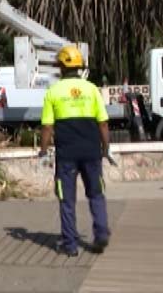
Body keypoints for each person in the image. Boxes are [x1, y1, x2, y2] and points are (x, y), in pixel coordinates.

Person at [39, 45, 111, 257]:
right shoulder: (92, 89)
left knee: (67, 200)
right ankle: (101, 235)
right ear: (80, 67)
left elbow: (47, 127)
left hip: (66, 155)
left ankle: (70, 245)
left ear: (61, 67)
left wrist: (43, 151)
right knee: (97, 195)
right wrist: (105, 148)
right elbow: (103, 124)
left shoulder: (53, 92)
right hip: (91, 153)